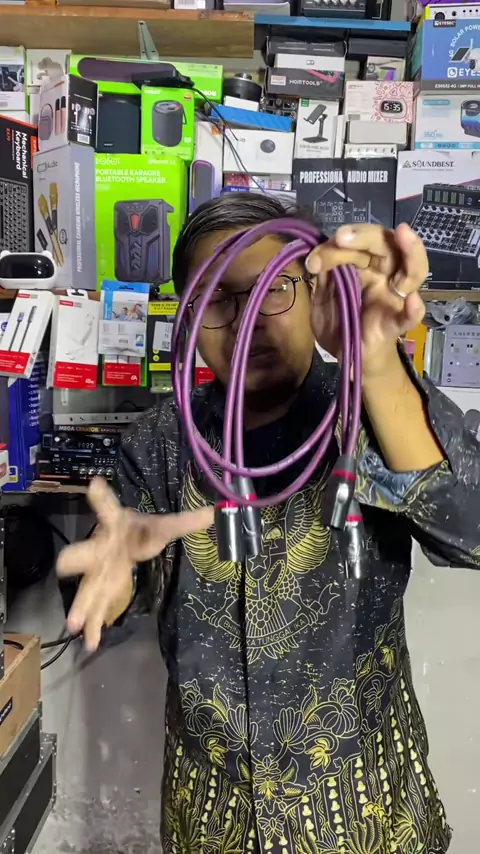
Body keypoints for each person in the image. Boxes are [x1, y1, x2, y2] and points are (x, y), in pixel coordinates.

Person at [58, 194, 480, 854]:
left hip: (367, 818)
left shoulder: (374, 407)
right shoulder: (161, 443)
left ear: (315, 291)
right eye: (218, 299)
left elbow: (470, 531)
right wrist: (106, 580)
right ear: (188, 316)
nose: (248, 319)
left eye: (273, 289)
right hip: (212, 822)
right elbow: (108, 582)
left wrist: (376, 363)